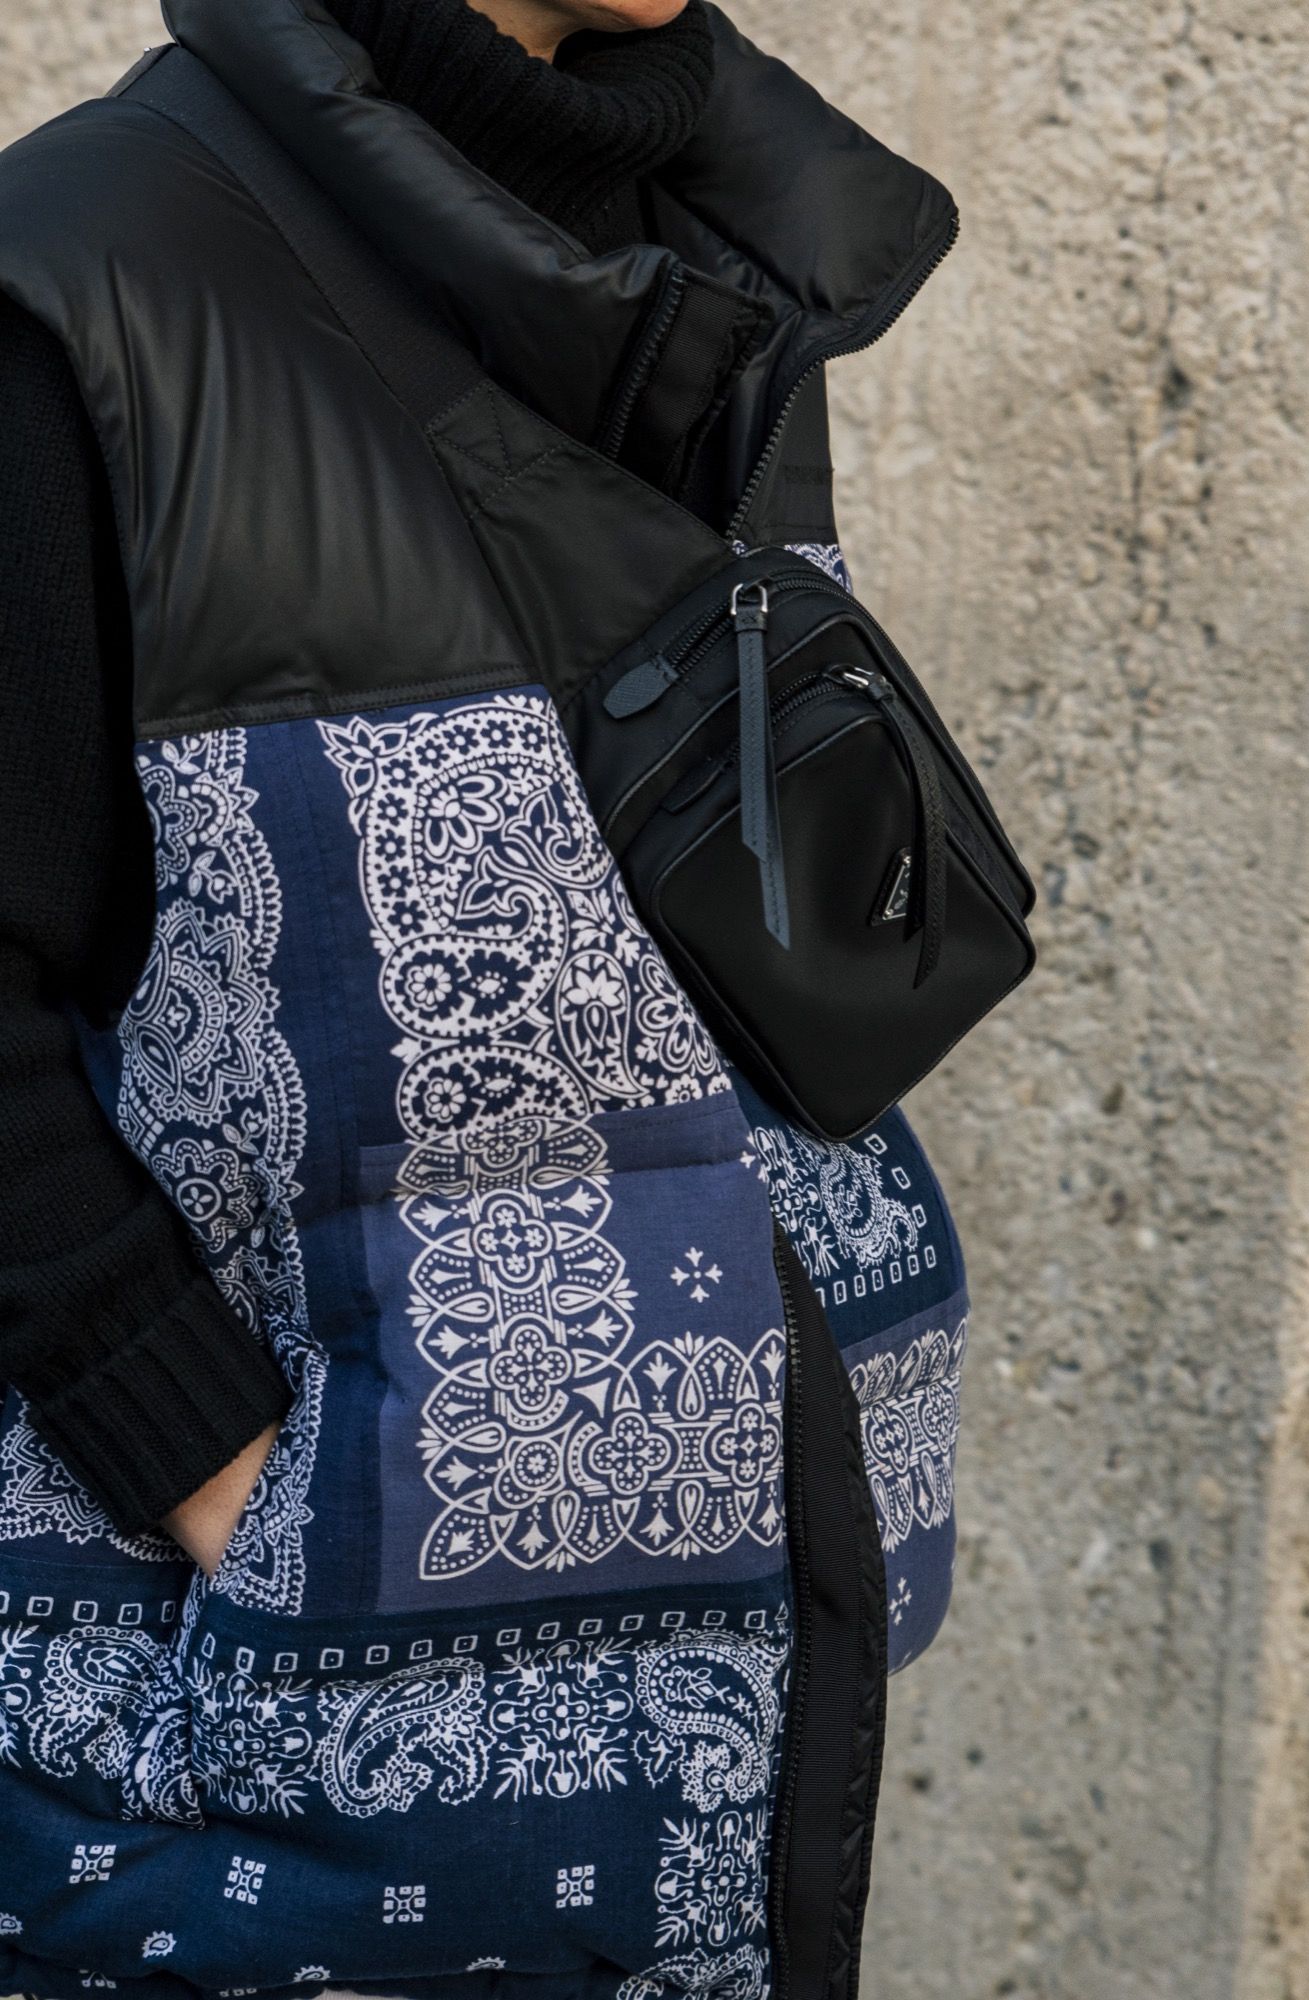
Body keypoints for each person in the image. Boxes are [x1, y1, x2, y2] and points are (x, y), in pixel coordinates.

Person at [0, 1, 971, 1994]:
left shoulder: (708, 261)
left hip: (753, 1706)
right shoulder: (85, 279)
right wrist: (239, 1488)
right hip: (263, 1792)